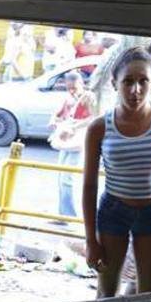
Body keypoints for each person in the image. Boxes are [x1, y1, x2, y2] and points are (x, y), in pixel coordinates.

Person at [82, 42, 151, 297]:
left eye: (143, 81)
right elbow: (89, 186)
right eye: (128, 81)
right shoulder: (99, 127)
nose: (135, 90)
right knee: (106, 293)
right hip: (113, 211)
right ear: (114, 83)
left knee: (148, 293)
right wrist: (90, 241)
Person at [48, 71, 96, 218]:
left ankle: (69, 216)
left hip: (79, 142)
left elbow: (93, 118)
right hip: (66, 141)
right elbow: (59, 114)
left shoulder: (88, 97)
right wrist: (54, 121)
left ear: (81, 84)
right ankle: (63, 214)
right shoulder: (68, 97)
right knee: (61, 177)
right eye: (68, 87)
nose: (71, 90)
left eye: (74, 87)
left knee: (67, 179)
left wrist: (73, 128)